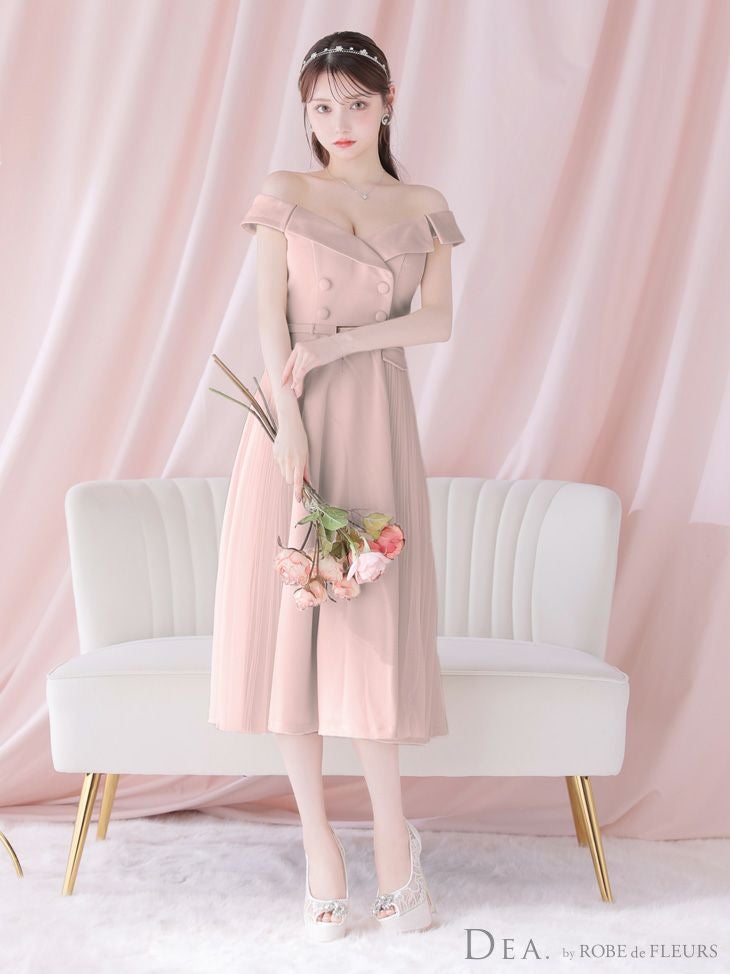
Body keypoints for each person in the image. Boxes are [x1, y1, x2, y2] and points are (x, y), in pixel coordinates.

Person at [208, 29, 465, 941]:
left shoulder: (422, 206)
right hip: (295, 423)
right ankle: (321, 846)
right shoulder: (285, 192)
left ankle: (395, 845)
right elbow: (267, 320)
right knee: (296, 633)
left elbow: (435, 322)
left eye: (356, 103)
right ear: (305, 112)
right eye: (322, 106)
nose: (340, 122)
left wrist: (345, 344)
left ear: (388, 103)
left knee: (372, 632)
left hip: (377, 418)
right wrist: (289, 425)